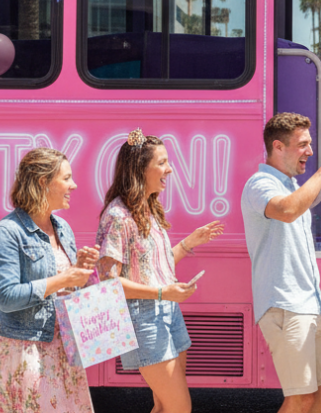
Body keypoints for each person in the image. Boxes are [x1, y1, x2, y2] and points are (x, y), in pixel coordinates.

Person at [96, 128, 225, 413]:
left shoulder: (148, 210)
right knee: (179, 407)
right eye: (162, 162)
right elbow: (108, 284)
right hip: (144, 318)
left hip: (167, 312)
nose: (170, 169)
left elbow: (154, 268)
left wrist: (190, 242)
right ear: (140, 168)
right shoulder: (118, 216)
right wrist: (162, 292)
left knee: (166, 407)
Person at [240, 113, 321, 413]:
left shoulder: (291, 185)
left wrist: (320, 295)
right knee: (300, 399)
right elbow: (286, 211)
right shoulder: (260, 184)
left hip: (310, 302)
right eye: (303, 144)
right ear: (278, 146)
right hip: (285, 306)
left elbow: (295, 251)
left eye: (310, 144)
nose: (310, 152)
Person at [0, 148, 101, 413]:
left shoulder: (63, 228)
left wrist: (80, 270)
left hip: (64, 348)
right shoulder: (7, 232)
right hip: (27, 349)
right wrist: (62, 279)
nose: (74, 185)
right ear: (42, 182)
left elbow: (66, 289)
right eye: (66, 178)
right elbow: (6, 297)